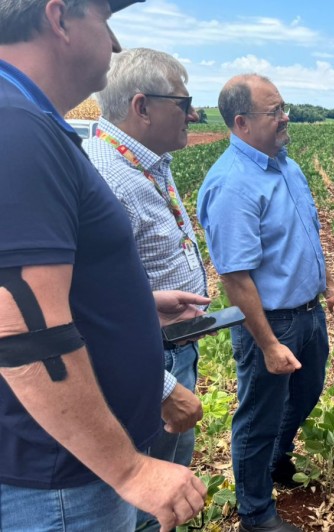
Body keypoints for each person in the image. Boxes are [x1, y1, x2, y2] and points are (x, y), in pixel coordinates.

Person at [0, 1, 208, 531]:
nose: (115, 44)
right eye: (105, 19)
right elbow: (23, 333)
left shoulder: (29, 121)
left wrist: (136, 305)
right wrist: (129, 470)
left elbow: (55, 293)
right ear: (58, 18)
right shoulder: (17, 127)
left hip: (70, 467)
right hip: (64, 482)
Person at [197, 73, 334, 532]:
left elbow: (304, 237)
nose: (285, 117)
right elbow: (235, 277)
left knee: (306, 393)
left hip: (308, 313)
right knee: (258, 418)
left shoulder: (286, 165)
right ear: (241, 122)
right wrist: (268, 343)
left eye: (283, 107)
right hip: (270, 322)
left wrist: (329, 288)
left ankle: (275, 459)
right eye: (275, 112)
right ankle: (255, 512)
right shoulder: (232, 184)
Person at [87, 47, 207, 532]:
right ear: (142, 107)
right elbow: (87, 311)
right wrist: (161, 386)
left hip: (169, 344)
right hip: (142, 364)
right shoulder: (103, 176)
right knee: (147, 500)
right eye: (184, 102)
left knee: (167, 487)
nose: (193, 115)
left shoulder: (147, 162)